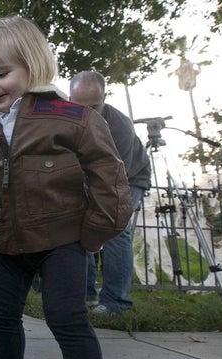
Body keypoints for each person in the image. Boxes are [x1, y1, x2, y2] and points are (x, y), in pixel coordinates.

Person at [0, 16, 132, 359]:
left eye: (1, 73)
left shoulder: (72, 118)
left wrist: (95, 233)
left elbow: (109, 176)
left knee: (66, 317)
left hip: (63, 240)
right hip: (9, 242)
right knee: (2, 313)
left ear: (33, 64)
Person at [69, 71, 152, 315]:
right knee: (77, 228)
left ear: (104, 98)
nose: (86, 113)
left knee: (117, 231)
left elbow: (114, 179)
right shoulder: (64, 118)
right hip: (88, 176)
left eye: (93, 106)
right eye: (78, 105)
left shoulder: (120, 128)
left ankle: (116, 303)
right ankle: (83, 296)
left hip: (128, 177)